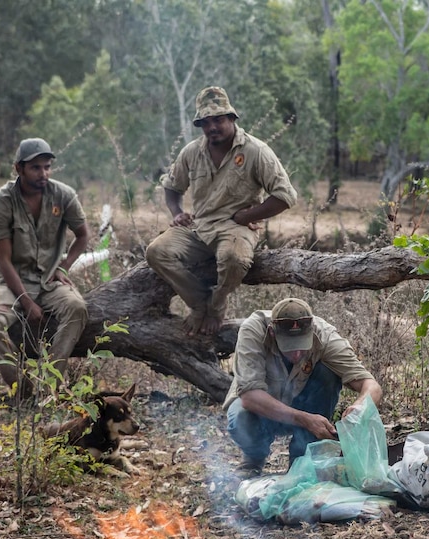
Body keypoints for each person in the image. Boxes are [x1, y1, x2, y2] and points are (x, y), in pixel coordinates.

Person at [146, 86, 297, 336]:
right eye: (205, 122)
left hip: (236, 227)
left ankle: (216, 308)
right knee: (157, 251)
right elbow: (172, 187)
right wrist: (176, 212)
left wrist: (247, 216)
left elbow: (286, 196)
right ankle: (199, 303)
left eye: (218, 120)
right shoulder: (192, 152)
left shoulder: (255, 151)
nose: (212, 127)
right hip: (199, 227)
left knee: (233, 258)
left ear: (232, 118)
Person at [0, 138, 90, 397]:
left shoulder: (63, 194)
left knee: (77, 308)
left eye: (47, 167)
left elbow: (83, 235)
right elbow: (3, 260)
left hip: (50, 280)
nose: (43, 173)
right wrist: (27, 302)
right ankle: (24, 390)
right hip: (12, 282)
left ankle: (50, 386)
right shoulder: (2, 202)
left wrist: (63, 268)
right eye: (36, 168)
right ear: (19, 168)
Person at [224, 297, 383, 474]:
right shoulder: (253, 330)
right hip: (262, 412)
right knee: (240, 416)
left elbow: (371, 385)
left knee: (327, 373)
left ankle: (301, 461)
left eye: (302, 345)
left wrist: (360, 407)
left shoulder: (324, 335)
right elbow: (249, 397)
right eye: (290, 347)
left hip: (302, 405)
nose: (297, 353)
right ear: (272, 333)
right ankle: (253, 460)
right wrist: (305, 419)